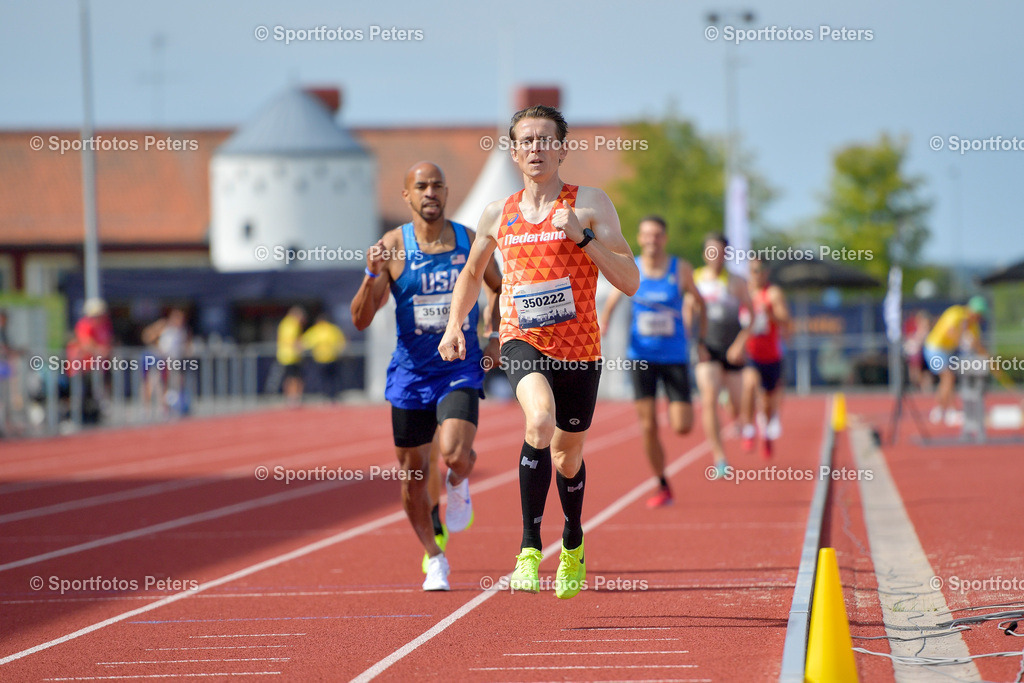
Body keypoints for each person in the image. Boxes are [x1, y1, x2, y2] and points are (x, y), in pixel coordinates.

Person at [438, 105, 639, 599]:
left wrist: (585, 238)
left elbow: (630, 280)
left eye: (544, 140)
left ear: (562, 149)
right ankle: (529, 549)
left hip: (580, 349)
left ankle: (572, 541)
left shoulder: (590, 203)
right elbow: (470, 273)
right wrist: (452, 326)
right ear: (512, 150)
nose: (535, 149)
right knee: (539, 420)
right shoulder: (497, 213)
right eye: (525, 141)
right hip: (521, 339)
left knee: (568, 457)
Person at [351, 161, 502, 591]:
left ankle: (457, 481)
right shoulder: (392, 247)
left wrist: (491, 333)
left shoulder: (468, 239)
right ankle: (435, 557)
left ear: (447, 192)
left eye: (437, 185)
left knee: (453, 454)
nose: (430, 192)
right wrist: (370, 276)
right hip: (411, 376)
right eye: (421, 186)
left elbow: (499, 286)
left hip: (459, 367)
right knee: (413, 475)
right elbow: (361, 319)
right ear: (407, 196)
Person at [599, 215, 706, 508]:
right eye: (646, 235)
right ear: (639, 237)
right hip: (641, 356)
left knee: (682, 426)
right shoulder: (631, 266)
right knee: (647, 426)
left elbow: (699, 301)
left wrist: (701, 335)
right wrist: (605, 321)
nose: (651, 240)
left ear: (665, 238)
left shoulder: (680, 268)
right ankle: (662, 483)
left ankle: (675, 411)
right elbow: (614, 296)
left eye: (657, 235)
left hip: (674, 357)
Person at [689, 234, 752, 478]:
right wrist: (695, 343)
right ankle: (719, 457)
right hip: (707, 347)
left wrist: (740, 344)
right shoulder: (695, 279)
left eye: (721, 252)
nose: (716, 257)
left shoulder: (736, 282)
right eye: (711, 251)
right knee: (708, 399)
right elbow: (688, 312)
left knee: (738, 403)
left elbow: (752, 316)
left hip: (732, 351)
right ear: (705, 253)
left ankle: (737, 414)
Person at [738, 257, 790, 459]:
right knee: (750, 386)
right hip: (751, 353)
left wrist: (771, 315)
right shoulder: (744, 292)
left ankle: (766, 433)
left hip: (771, 355)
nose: (755, 274)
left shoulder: (773, 293)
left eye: (759, 270)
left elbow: (786, 320)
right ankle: (749, 429)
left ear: (766, 272)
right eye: (752, 270)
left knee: (767, 402)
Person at [923, 296, 989, 425]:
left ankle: (943, 409)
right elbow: (950, 332)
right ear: (973, 311)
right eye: (978, 315)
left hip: (947, 351)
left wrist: (987, 358)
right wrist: (963, 340)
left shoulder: (973, 326)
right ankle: (946, 410)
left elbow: (977, 345)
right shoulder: (956, 313)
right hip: (935, 347)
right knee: (948, 377)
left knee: (948, 379)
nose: (979, 319)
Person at [301, 312, 347, 401]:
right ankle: (333, 396)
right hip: (332, 358)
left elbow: (305, 342)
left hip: (321, 359)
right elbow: (342, 343)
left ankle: (327, 396)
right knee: (333, 379)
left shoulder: (316, 330)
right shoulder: (333, 329)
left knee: (324, 380)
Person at [276, 307, 306, 406]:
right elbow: (292, 340)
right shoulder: (292, 324)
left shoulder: (284, 323)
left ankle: (291, 397)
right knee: (293, 378)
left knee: (289, 377)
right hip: (291, 356)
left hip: (285, 355)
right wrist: (300, 346)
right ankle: (293, 397)